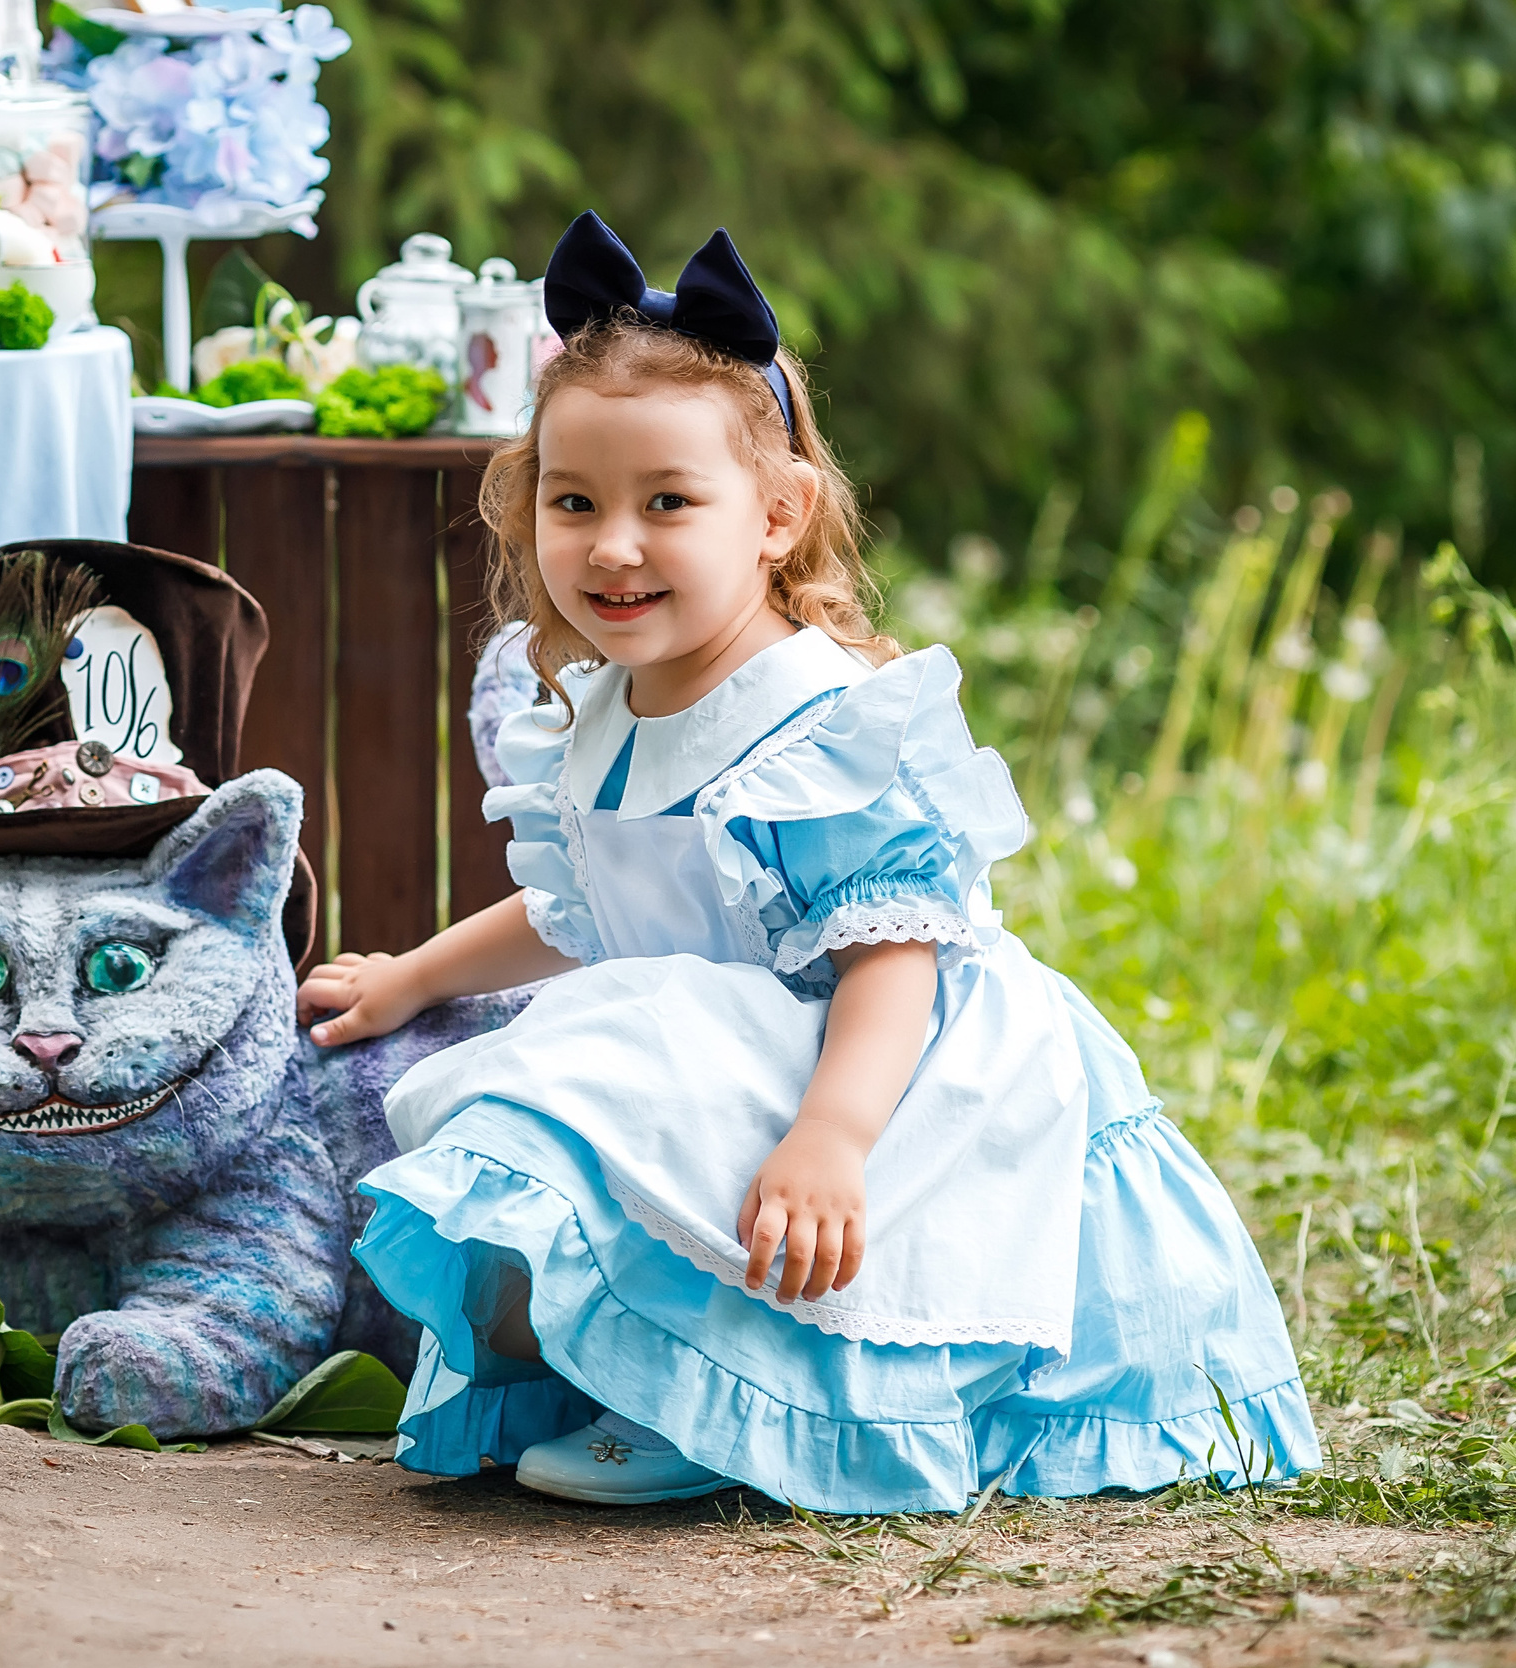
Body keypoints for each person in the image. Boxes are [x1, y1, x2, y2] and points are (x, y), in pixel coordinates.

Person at [297, 211, 1319, 1513]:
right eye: (576, 504)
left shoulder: (817, 719)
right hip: (730, 1038)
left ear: (776, 516)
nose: (614, 545)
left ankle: (712, 1406)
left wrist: (834, 1134)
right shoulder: (603, 707)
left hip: (880, 1055)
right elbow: (591, 905)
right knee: (585, 1048)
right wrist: (413, 981)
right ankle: (620, 1369)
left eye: (668, 503)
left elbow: (893, 950)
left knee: (630, 1052)